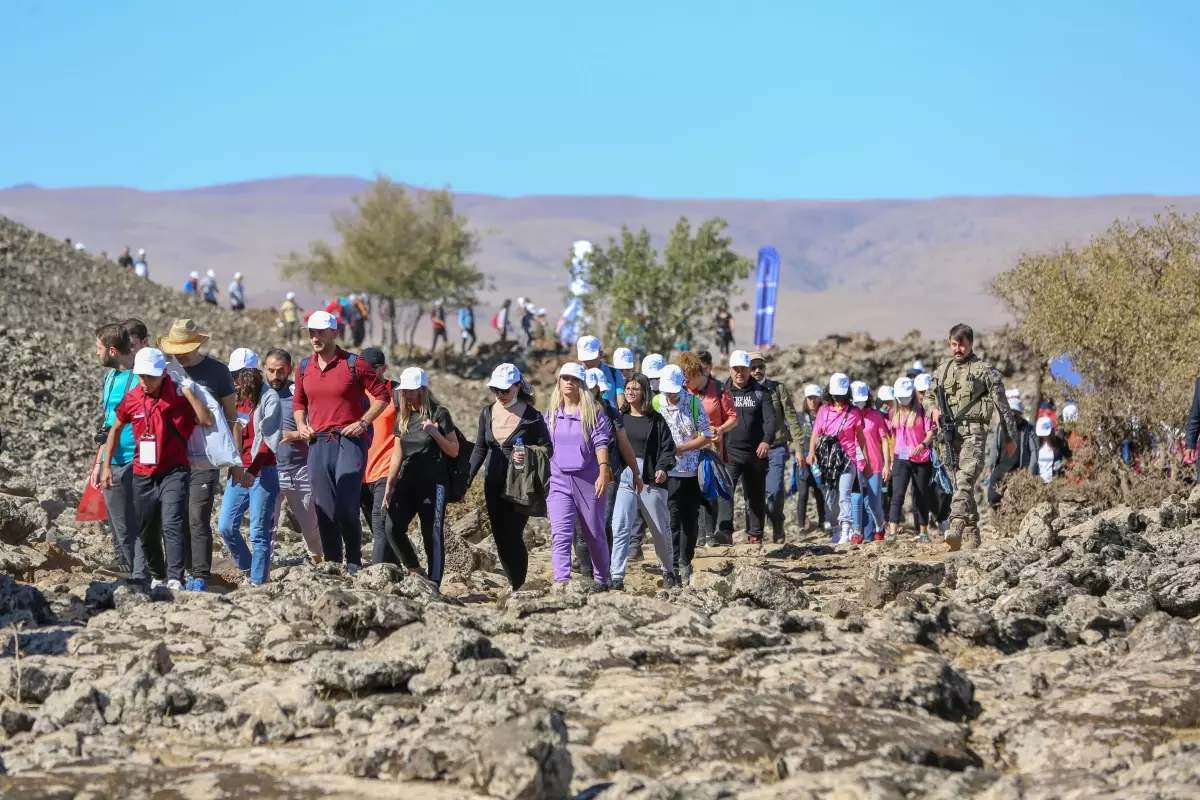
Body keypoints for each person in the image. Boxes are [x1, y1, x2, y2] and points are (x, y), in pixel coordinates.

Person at [101, 348, 211, 589]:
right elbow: (116, 429)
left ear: (163, 373)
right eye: (141, 376)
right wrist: (105, 465)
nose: (145, 382)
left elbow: (205, 420)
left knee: (172, 523)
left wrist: (189, 394)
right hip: (143, 473)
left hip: (174, 471)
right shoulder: (132, 398)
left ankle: (175, 578)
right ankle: (158, 575)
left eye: (150, 376)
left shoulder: (178, 397)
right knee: (147, 530)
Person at [292, 311, 391, 572]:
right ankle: (333, 563)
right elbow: (299, 402)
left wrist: (363, 423)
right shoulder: (303, 368)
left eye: (320, 332)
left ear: (335, 333)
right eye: (311, 332)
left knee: (346, 505)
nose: (315, 337)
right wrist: (301, 425)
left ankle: (355, 561)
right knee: (323, 508)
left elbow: (382, 396)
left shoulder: (354, 364)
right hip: (317, 443)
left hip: (349, 441)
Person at [157, 319, 244, 590]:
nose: (179, 353)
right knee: (174, 515)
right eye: (175, 348)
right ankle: (179, 572)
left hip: (207, 456)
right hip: (174, 455)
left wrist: (236, 461)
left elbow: (232, 418)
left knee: (197, 515)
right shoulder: (167, 370)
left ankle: (201, 576)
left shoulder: (217, 371)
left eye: (184, 348)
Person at [923, 323, 1017, 551]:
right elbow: (928, 397)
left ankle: (955, 526)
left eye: (961, 345)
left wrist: (1009, 437)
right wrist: (933, 410)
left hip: (974, 433)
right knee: (958, 485)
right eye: (953, 345)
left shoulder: (985, 370)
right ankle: (972, 534)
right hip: (948, 436)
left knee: (964, 481)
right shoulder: (942, 370)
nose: (957, 349)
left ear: (970, 343)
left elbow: (1002, 406)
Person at [469, 364, 551, 590]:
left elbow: (548, 448)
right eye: (495, 389)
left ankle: (519, 586)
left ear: (517, 386)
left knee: (513, 534)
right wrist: (465, 480)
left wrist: (527, 453)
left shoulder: (532, 417)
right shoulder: (487, 412)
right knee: (500, 538)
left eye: (504, 390)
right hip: (492, 484)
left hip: (520, 486)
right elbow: (479, 449)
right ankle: (513, 583)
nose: (499, 394)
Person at [382, 368, 459, 584]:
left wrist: (435, 434)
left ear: (422, 390)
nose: (405, 394)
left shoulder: (439, 414)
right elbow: (398, 452)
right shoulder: (403, 416)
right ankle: (414, 569)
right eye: (403, 390)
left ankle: (434, 584)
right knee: (392, 527)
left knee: (431, 534)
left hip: (433, 483)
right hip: (407, 481)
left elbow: (454, 450)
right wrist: (390, 483)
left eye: (410, 390)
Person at [217, 349, 282, 586]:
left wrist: (252, 472)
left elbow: (269, 440)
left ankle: (258, 582)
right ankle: (247, 565)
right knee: (226, 525)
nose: (234, 380)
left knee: (258, 532)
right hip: (238, 470)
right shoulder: (233, 399)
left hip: (262, 471)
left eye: (237, 375)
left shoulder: (269, 398)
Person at [546, 363, 613, 588]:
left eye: (574, 378)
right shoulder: (552, 413)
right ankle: (562, 582)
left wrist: (603, 473)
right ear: (559, 381)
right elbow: (544, 444)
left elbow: (601, 442)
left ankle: (603, 580)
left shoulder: (594, 412)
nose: (569, 382)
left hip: (589, 480)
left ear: (581, 383)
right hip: (558, 480)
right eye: (564, 377)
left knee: (594, 535)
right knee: (560, 534)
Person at [610, 372, 676, 589]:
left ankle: (668, 571)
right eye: (628, 388)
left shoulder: (656, 420)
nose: (630, 392)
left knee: (659, 528)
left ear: (644, 392)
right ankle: (616, 576)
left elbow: (668, 449)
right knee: (620, 525)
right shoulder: (619, 418)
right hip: (625, 477)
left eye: (635, 389)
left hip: (650, 477)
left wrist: (662, 468)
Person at [575, 367, 639, 582]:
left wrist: (636, 473)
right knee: (581, 525)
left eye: (595, 390)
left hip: (609, 473)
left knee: (604, 521)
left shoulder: (610, 412)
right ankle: (587, 574)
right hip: (579, 476)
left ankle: (603, 573)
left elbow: (623, 443)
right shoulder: (570, 411)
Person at [91, 323, 145, 579]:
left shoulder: (143, 377)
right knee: (117, 521)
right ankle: (128, 567)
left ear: (112, 350)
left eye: (99, 348)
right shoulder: (110, 377)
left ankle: (142, 574)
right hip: (112, 458)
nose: (97, 353)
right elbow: (107, 420)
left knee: (136, 521)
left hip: (137, 457)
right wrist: (100, 461)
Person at [264, 349, 323, 564]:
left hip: (301, 470)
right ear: (264, 370)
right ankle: (263, 570)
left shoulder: (299, 394)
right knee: (266, 526)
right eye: (271, 370)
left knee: (311, 527)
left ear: (289, 369)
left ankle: (320, 564)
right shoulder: (258, 395)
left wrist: (295, 435)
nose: (275, 375)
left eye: (280, 371)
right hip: (269, 471)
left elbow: (317, 427)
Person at [657, 364, 712, 585]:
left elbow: (706, 436)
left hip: (690, 473)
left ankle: (685, 562)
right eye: (666, 390)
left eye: (673, 390)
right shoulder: (655, 403)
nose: (670, 394)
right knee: (670, 521)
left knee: (689, 522)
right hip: (667, 473)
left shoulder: (694, 404)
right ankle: (670, 567)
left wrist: (682, 448)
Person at [808, 373, 871, 545]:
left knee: (845, 495)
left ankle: (846, 530)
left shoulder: (854, 412)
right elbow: (815, 434)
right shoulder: (823, 411)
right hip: (827, 460)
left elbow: (861, 438)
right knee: (830, 498)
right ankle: (835, 530)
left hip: (847, 458)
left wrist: (865, 460)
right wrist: (811, 453)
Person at [680, 351, 735, 546]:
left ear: (698, 374)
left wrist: (720, 429)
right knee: (691, 491)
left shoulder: (719, 389)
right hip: (688, 448)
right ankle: (696, 534)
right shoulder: (683, 392)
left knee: (708, 488)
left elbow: (732, 417)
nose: (685, 383)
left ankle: (710, 534)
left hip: (711, 447)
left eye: (688, 378)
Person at [748, 351, 804, 544]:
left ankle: (777, 523)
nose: (756, 371)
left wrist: (798, 446)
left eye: (760, 367)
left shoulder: (777, 389)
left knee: (775, 490)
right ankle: (755, 533)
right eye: (752, 367)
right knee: (753, 493)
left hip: (776, 447)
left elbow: (791, 417)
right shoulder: (742, 392)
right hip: (752, 450)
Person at [722, 350, 776, 544]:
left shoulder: (761, 393)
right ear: (730, 370)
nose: (740, 373)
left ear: (749, 370)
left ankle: (755, 535)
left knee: (756, 495)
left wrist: (766, 441)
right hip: (730, 452)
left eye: (744, 369)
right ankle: (724, 533)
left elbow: (770, 420)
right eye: (736, 369)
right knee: (725, 492)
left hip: (756, 453)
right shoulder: (722, 391)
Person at [359, 347, 402, 567]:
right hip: (360, 472)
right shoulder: (355, 393)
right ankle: (395, 570)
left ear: (383, 369)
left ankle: (376, 574)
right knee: (379, 527)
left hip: (386, 470)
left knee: (379, 523)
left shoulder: (396, 393)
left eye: (371, 369)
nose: (365, 373)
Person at [848, 381, 891, 543]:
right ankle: (857, 532)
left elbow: (885, 440)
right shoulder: (849, 415)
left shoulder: (876, 416)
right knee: (856, 498)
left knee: (874, 503)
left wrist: (887, 465)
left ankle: (879, 527)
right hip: (855, 462)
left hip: (874, 463)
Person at [985, 396, 1038, 508]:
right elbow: (994, 448)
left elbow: (1034, 451)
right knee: (992, 497)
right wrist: (990, 469)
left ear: (1019, 413)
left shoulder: (1027, 428)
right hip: (1001, 468)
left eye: (1015, 412)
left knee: (1018, 501)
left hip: (1019, 470)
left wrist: (1030, 472)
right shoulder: (1000, 427)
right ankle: (998, 519)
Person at [795, 384, 827, 532]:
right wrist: (798, 452)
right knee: (803, 493)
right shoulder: (800, 417)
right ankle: (801, 525)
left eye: (815, 397)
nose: (812, 401)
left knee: (819, 491)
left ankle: (823, 522)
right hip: (803, 458)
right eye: (809, 398)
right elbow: (795, 437)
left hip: (820, 460)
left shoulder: (826, 415)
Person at [577, 336, 624, 407]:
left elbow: (621, 404)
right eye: (585, 359)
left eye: (592, 358)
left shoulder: (615, 374)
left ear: (601, 354)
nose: (588, 363)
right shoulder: (575, 376)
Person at [1035, 416, 1070, 484]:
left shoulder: (1060, 443)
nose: (1044, 436)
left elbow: (1069, 459)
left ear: (1052, 431)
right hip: (1038, 483)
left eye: (1046, 434)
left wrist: (1062, 466)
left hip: (1056, 483)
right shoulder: (1034, 444)